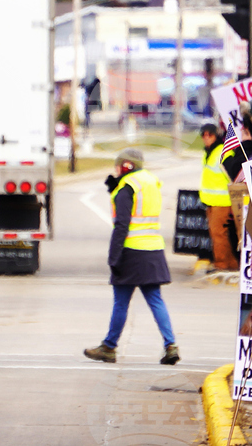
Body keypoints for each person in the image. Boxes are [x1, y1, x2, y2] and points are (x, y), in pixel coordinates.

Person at [84, 149, 180, 366]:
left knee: (120, 302)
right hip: (153, 250)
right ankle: (171, 345)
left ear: (127, 166)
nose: (115, 170)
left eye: (117, 166)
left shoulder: (127, 188)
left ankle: (109, 347)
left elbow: (122, 225)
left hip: (131, 252)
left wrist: (113, 257)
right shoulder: (149, 182)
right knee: (155, 300)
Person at [200, 123, 238, 271]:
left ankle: (221, 264)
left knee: (218, 235)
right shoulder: (209, 152)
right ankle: (231, 264)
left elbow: (233, 176)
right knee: (219, 235)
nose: (206, 138)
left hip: (222, 202)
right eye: (203, 135)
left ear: (216, 135)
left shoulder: (222, 152)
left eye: (210, 134)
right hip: (212, 201)